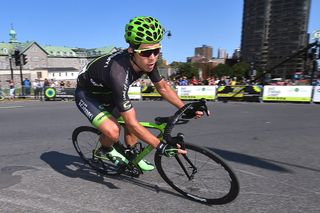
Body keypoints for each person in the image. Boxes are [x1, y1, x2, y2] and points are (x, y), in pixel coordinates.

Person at [75, 16, 205, 171]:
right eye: (146, 53)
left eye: (156, 51)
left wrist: (185, 108)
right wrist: (160, 146)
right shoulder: (118, 73)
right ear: (132, 51)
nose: (152, 58)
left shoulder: (147, 62)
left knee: (130, 119)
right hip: (88, 94)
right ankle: (106, 148)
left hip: (109, 91)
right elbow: (132, 123)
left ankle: (131, 153)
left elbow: (163, 87)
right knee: (113, 130)